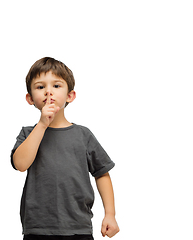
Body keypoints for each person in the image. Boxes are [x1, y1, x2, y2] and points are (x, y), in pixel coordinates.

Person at [11, 57, 119, 240]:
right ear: (30, 99)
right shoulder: (28, 133)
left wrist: (110, 214)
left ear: (70, 96)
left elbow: (102, 173)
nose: (48, 92)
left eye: (56, 86)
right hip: (38, 229)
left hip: (78, 227)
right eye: (40, 87)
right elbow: (20, 164)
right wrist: (42, 124)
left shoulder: (83, 135)